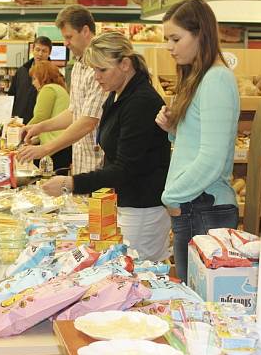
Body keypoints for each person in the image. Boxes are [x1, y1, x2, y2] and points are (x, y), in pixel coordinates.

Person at [42, 33, 171, 261]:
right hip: (122, 203)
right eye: (94, 70)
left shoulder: (141, 102)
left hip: (142, 208)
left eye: (102, 70)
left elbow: (124, 168)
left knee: (139, 275)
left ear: (125, 64)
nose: (97, 77)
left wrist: (71, 183)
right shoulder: (116, 95)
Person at [155, 0, 240, 283]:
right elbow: (200, 142)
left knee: (199, 308)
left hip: (203, 205)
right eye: (167, 39)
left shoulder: (216, 80)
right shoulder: (201, 78)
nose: (169, 46)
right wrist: (174, 128)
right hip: (196, 204)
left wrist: (172, 196)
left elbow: (212, 158)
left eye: (176, 38)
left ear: (200, 34)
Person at [18, 5, 107, 174]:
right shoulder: (77, 67)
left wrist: (46, 149)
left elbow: (89, 121)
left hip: (100, 163)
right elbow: (74, 112)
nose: (65, 43)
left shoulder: (100, 66)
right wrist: (40, 127)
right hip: (82, 160)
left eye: (69, 37)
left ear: (86, 31)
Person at [27, 60, 71, 171]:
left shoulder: (48, 89)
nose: (33, 83)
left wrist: (23, 132)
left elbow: (40, 118)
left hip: (54, 148)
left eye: (34, 79)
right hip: (63, 145)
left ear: (43, 77)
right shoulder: (59, 88)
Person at [9, 36, 52, 123]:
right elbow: (12, 94)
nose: (40, 54)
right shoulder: (22, 71)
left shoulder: (53, 74)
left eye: (44, 51)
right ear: (33, 49)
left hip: (41, 123)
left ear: (49, 53)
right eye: (38, 49)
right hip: (19, 121)